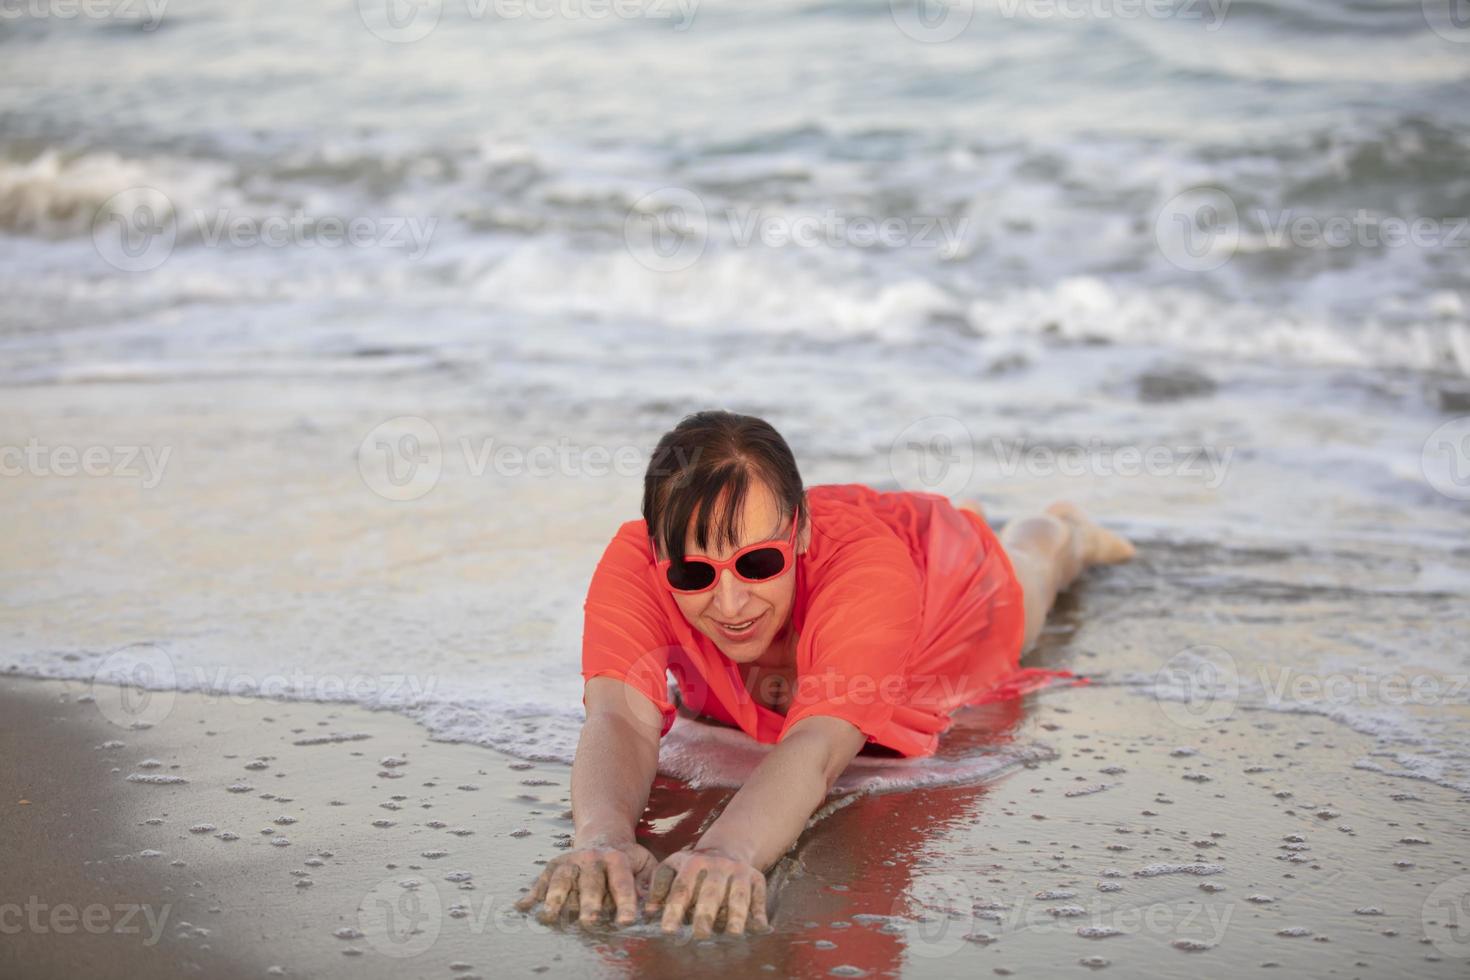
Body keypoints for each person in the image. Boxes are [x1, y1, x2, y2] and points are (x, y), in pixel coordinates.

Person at [514, 410, 1135, 936]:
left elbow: (816, 746)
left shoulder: (867, 569)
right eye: (694, 574)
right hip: (829, 586)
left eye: (757, 563)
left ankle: (1059, 529)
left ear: (800, 531)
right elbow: (620, 713)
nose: (730, 606)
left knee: (1028, 581)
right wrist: (601, 837)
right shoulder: (637, 561)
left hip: (929, 605)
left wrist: (726, 851)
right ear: (658, 553)